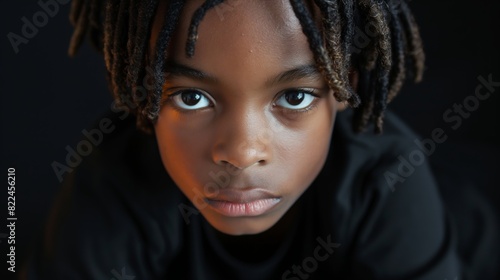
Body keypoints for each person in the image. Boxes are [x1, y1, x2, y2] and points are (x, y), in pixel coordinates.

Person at [20, 0, 462, 279]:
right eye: (191, 98)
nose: (241, 152)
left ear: (344, 86)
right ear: (143, 88)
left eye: (294, 96)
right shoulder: (112, 183)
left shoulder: (386, 178)